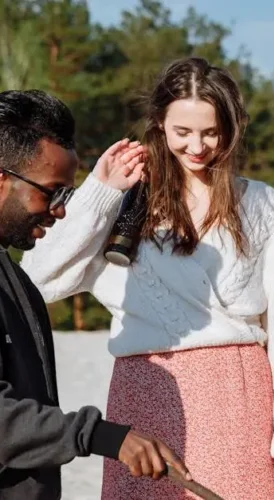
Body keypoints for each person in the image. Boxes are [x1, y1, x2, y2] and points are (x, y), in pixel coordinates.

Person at [20, 58, 274, 500]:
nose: (198, 146)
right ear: (159, 123)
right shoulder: (123, 201)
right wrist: (100, 191)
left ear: (231, 128)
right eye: (183, 132)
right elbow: (39, 280)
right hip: (145, 389)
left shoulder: (259, 203)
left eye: (211, 132)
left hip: (241, 395)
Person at [0, 89, 190, 500]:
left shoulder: (15, 281)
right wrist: (102, 435)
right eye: (52, 192)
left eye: (69, 195)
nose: (60, 210)